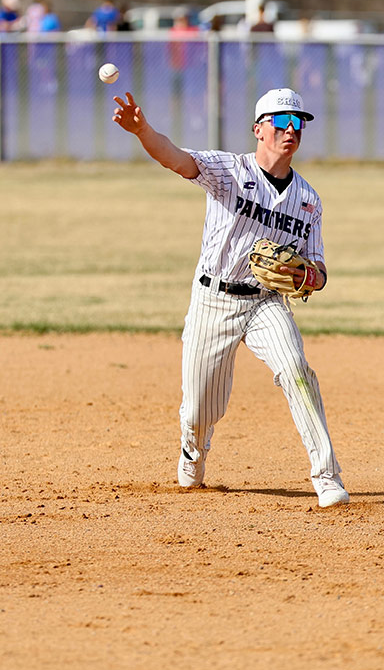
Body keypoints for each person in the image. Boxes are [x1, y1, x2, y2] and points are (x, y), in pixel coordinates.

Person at [111, 86, 349, 508]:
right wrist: (143, 130)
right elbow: (175, 157)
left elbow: (319, 272)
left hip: (265, 302)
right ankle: (193, 448)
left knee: (296, 369)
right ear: (259, 129)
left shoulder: (308, 201)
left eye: (299, 123)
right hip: (213, 300)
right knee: (201, 408)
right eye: (282, 122)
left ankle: (327, 477)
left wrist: (305, 275)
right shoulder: (229, 171)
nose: (291, 130)